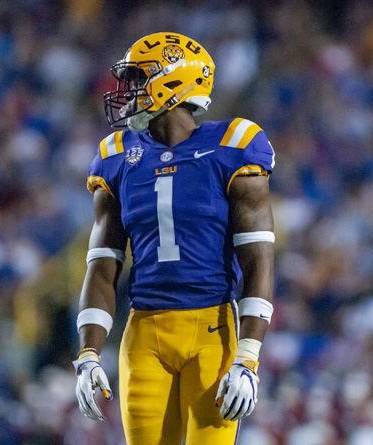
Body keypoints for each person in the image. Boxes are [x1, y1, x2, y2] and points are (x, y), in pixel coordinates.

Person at [72, 32, 276, 444]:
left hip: (212, 329)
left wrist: (248, 359)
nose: (126, 91)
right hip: (143, 332)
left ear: (171, 80)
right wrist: (88, 354)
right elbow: (102, 266)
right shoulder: (116, 155)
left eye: (136, 79)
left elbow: (259, 261)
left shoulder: (233, 145)